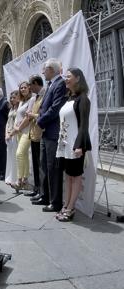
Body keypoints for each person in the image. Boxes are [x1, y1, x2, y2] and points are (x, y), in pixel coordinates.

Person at [55, 68, 92, 221]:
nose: (66, 79)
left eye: (68, 77)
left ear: (77, 78)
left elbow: (83, 125)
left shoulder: (83, 99)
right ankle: (66, 205)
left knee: (75, 177)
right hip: (64, 145)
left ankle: (70, 208)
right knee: (68, 177)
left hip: (75, 145)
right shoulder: (68, 99)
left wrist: (79, 146)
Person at [32, 58, 68, 212]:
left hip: (52, 132)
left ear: (52, 70)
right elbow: (44, 107)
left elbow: (55, 108)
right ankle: (45, 195)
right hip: (46, 132)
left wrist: (40, 122)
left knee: (53, 168)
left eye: (44, 70)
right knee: (44, 166)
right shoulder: (51, 84)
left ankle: (55, 202)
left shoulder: (60, 84)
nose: (42, 72)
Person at [24, 75, 46, 197]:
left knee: (40, 165)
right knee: (36, 164)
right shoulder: (35, 97)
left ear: (36, 83)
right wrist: (31, 114)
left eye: (31, 85)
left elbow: (44, 114)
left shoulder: (44, 95)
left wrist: (33, 115)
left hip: (40, 133)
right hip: (33, 134)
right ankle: (36, 188)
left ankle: (42, 191)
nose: (29, 88)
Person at [14, 81, 34, 190]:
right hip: (19, 132)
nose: (22, 89)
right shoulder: (21, 101)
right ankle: (25, 180)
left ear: (29, 88)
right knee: (24, 155)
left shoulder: (32, 99)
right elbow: (19, 116)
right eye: (21, 88)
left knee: (19, 154)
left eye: (25, 87)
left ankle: (19, 180)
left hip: (27, 131)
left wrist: (19, 127)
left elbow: (28, 118)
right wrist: (16, 128)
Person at [5, 91, 19, 186]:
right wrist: (6, 133)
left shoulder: (20, 109)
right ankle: (9, 176)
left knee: (15, 157)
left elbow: (18, 123)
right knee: (9, 157)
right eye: (11, 98)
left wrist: (11, 134)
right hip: (9, 134)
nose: (12, 99)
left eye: (14, 97)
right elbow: (7, 122)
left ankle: (15, 178)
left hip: (15, 135)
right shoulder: (11, 108)